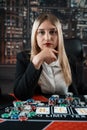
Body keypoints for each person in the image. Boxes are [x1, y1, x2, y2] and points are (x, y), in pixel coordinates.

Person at [14, 13, 78, 100]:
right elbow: (20, 95)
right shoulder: (23, 58)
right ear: (35, 36)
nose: (47, 38)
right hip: (39, 109)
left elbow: (80, 92)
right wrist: (37, 61)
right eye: (41, 32)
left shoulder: (71, 60)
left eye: (52, 32)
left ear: (59, 35)